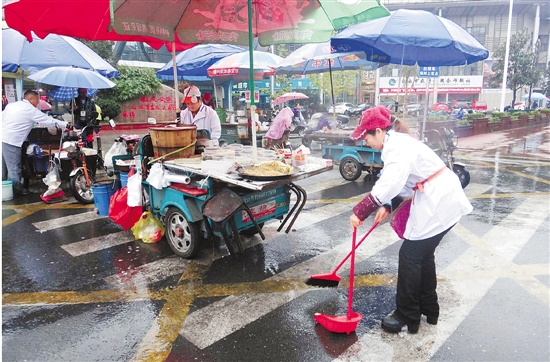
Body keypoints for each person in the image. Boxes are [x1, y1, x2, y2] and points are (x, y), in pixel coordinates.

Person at [349, 105, 472, 334]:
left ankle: (407, 315)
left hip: (439, 201)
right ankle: (429, 308)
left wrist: (361, 210)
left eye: (366, 137)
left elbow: (391, 182)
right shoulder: (395, 144)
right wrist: (385, 204)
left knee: (410, 255)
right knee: (422, 255)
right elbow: (398, 179)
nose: (365, 142)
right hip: (439, 199)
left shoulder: (397, 147)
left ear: (377, 131)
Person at [2, 90, 68, 195]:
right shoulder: (30, 110)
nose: (38, 102)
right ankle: (16, 191)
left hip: (3, 137)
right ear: (30, 99)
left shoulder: (12, 105)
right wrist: (65, 125)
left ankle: (6, 191)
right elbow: (47, 120)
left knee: (4, 168)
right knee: (14, 168)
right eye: (37, 99)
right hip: (12, 141)